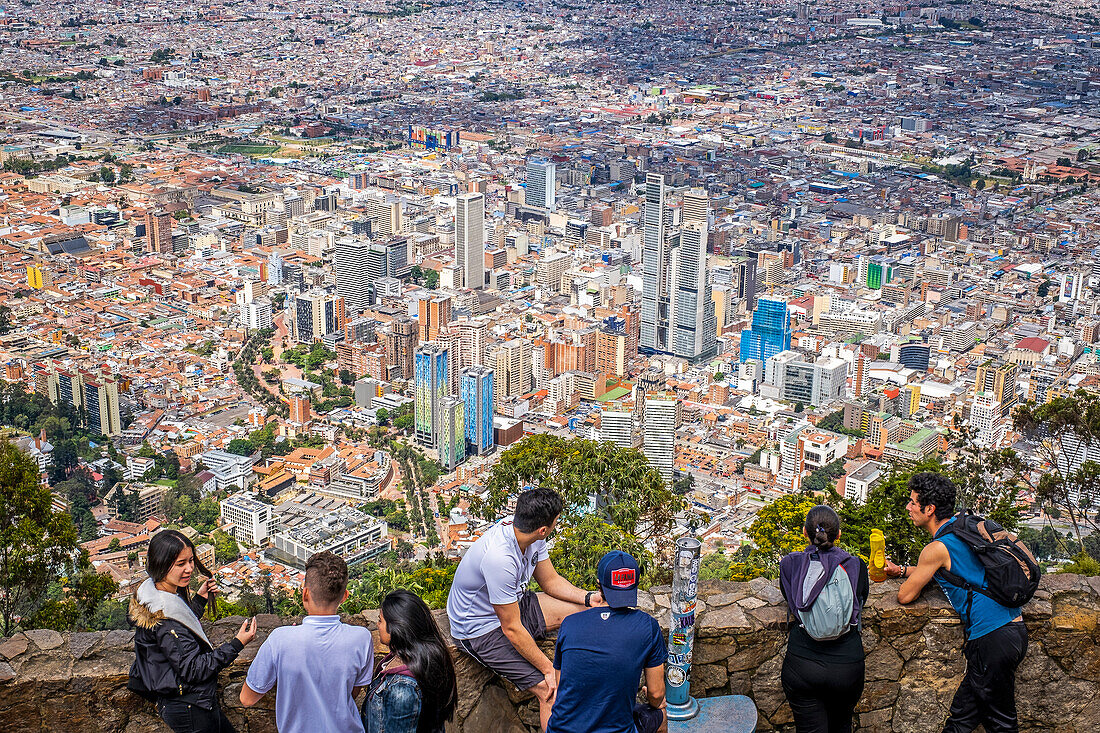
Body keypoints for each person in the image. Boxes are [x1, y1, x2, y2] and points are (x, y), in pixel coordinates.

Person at [446, 487, 604, 731]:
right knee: (549, 689)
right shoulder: (500, 558)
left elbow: (550, 581)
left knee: (592, 614)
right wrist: (549, 669)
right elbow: (511, 629)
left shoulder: (530, 536)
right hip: (479, 629)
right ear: (543, 529)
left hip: (514, 605)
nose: (556, 525)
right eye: (555, 522)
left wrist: (587, 598)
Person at [885, 472, 1027, 733]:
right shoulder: (962, 530)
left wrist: (906, 580)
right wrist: (903, 570)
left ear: (929, 509)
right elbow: (955, 570)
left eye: (913, 502)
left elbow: (904, 596)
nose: (908, 507)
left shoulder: (937, 548)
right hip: (1010, 631)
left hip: (990, 639)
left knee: (1001, 723)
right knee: (962, 718)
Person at [129, 529, 257, 733]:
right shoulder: (165, 618)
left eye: (190, 561)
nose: (189, 568)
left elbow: (182, 623)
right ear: (161, 564)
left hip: (189, 702)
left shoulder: (152, 594)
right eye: (181, 564)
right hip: (190, 708)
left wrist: (199, 599)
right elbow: (193, 669)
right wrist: (237, 644)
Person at [240, 551, 375, 733]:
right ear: (345, 596)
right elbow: (352, 692)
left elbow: (247, 699)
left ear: (304, 594)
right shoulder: (362, 638)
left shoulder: (280, 640)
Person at [545, 551, 667, 733]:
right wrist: (655, 700)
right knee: (661, 715)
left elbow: (562, 685)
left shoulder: (569, 624)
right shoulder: (647, 627)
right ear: (635, 585)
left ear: (599, 586)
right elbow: (656, 694)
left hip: (561, 729)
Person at [778, 506, 868, 733]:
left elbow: (790, 598)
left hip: (802, 663)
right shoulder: (855, 565)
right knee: (842, 726)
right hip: (847, 665)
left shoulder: (790, 564)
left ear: (804, 533)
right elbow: (861, 599)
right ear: (838, 535)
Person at [361, 589, 458, 733]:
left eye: (380, 620)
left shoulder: (402, 687)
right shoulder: (422, 660)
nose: (377, 625)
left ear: (397, 627)